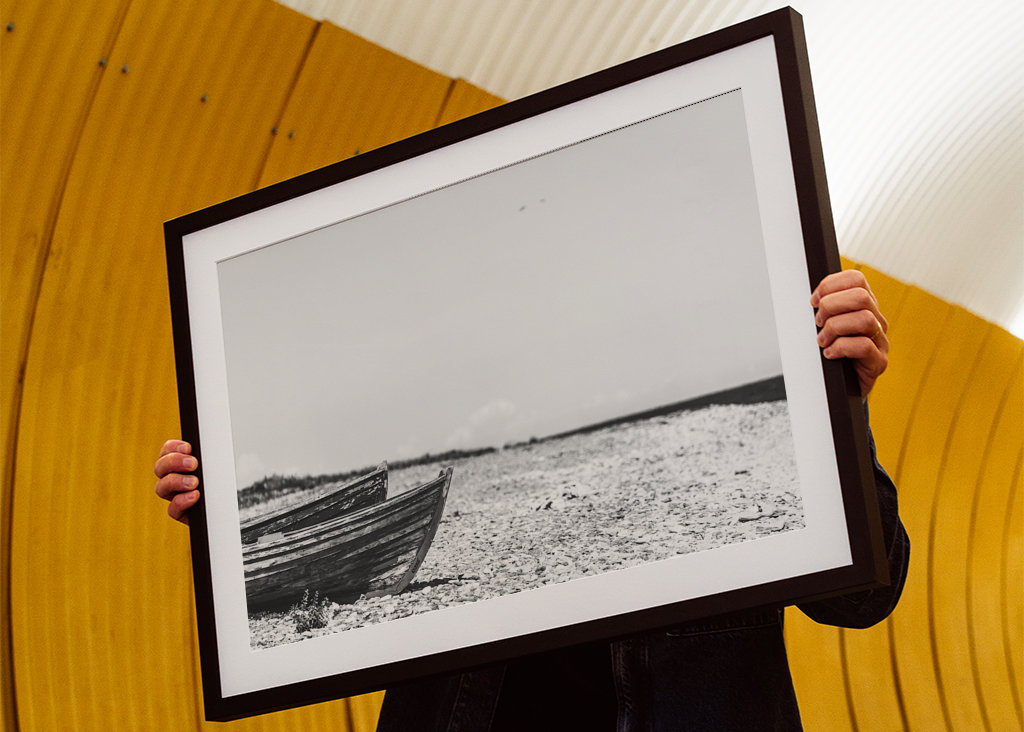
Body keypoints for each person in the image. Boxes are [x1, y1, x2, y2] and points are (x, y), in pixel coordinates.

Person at [155, 270, 908, 731]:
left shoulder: (768, 389)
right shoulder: (453, 409)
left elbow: (865, 597)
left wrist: (840, 405)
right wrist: (221, 519)